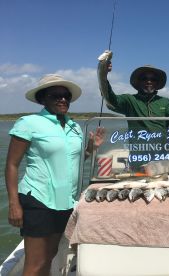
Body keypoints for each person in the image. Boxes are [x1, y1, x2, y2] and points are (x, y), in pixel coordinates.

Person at [5, 74, 104, 276]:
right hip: (39, 199)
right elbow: (12, 165)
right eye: (55, 95)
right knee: (34, 264)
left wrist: (90, 149)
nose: (62, 99)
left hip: (66, 202)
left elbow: (73, 160)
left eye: (66, 96)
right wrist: (14, 204)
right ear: (43, 99)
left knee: (50, 255)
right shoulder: (29, 123)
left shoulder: (75, 126)